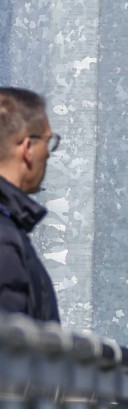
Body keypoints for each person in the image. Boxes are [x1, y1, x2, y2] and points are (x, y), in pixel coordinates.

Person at [0, 87, 59, 322]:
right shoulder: (4, 241)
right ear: (27, 148)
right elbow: (11, 351)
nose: (49, 153)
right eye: (48, 140)